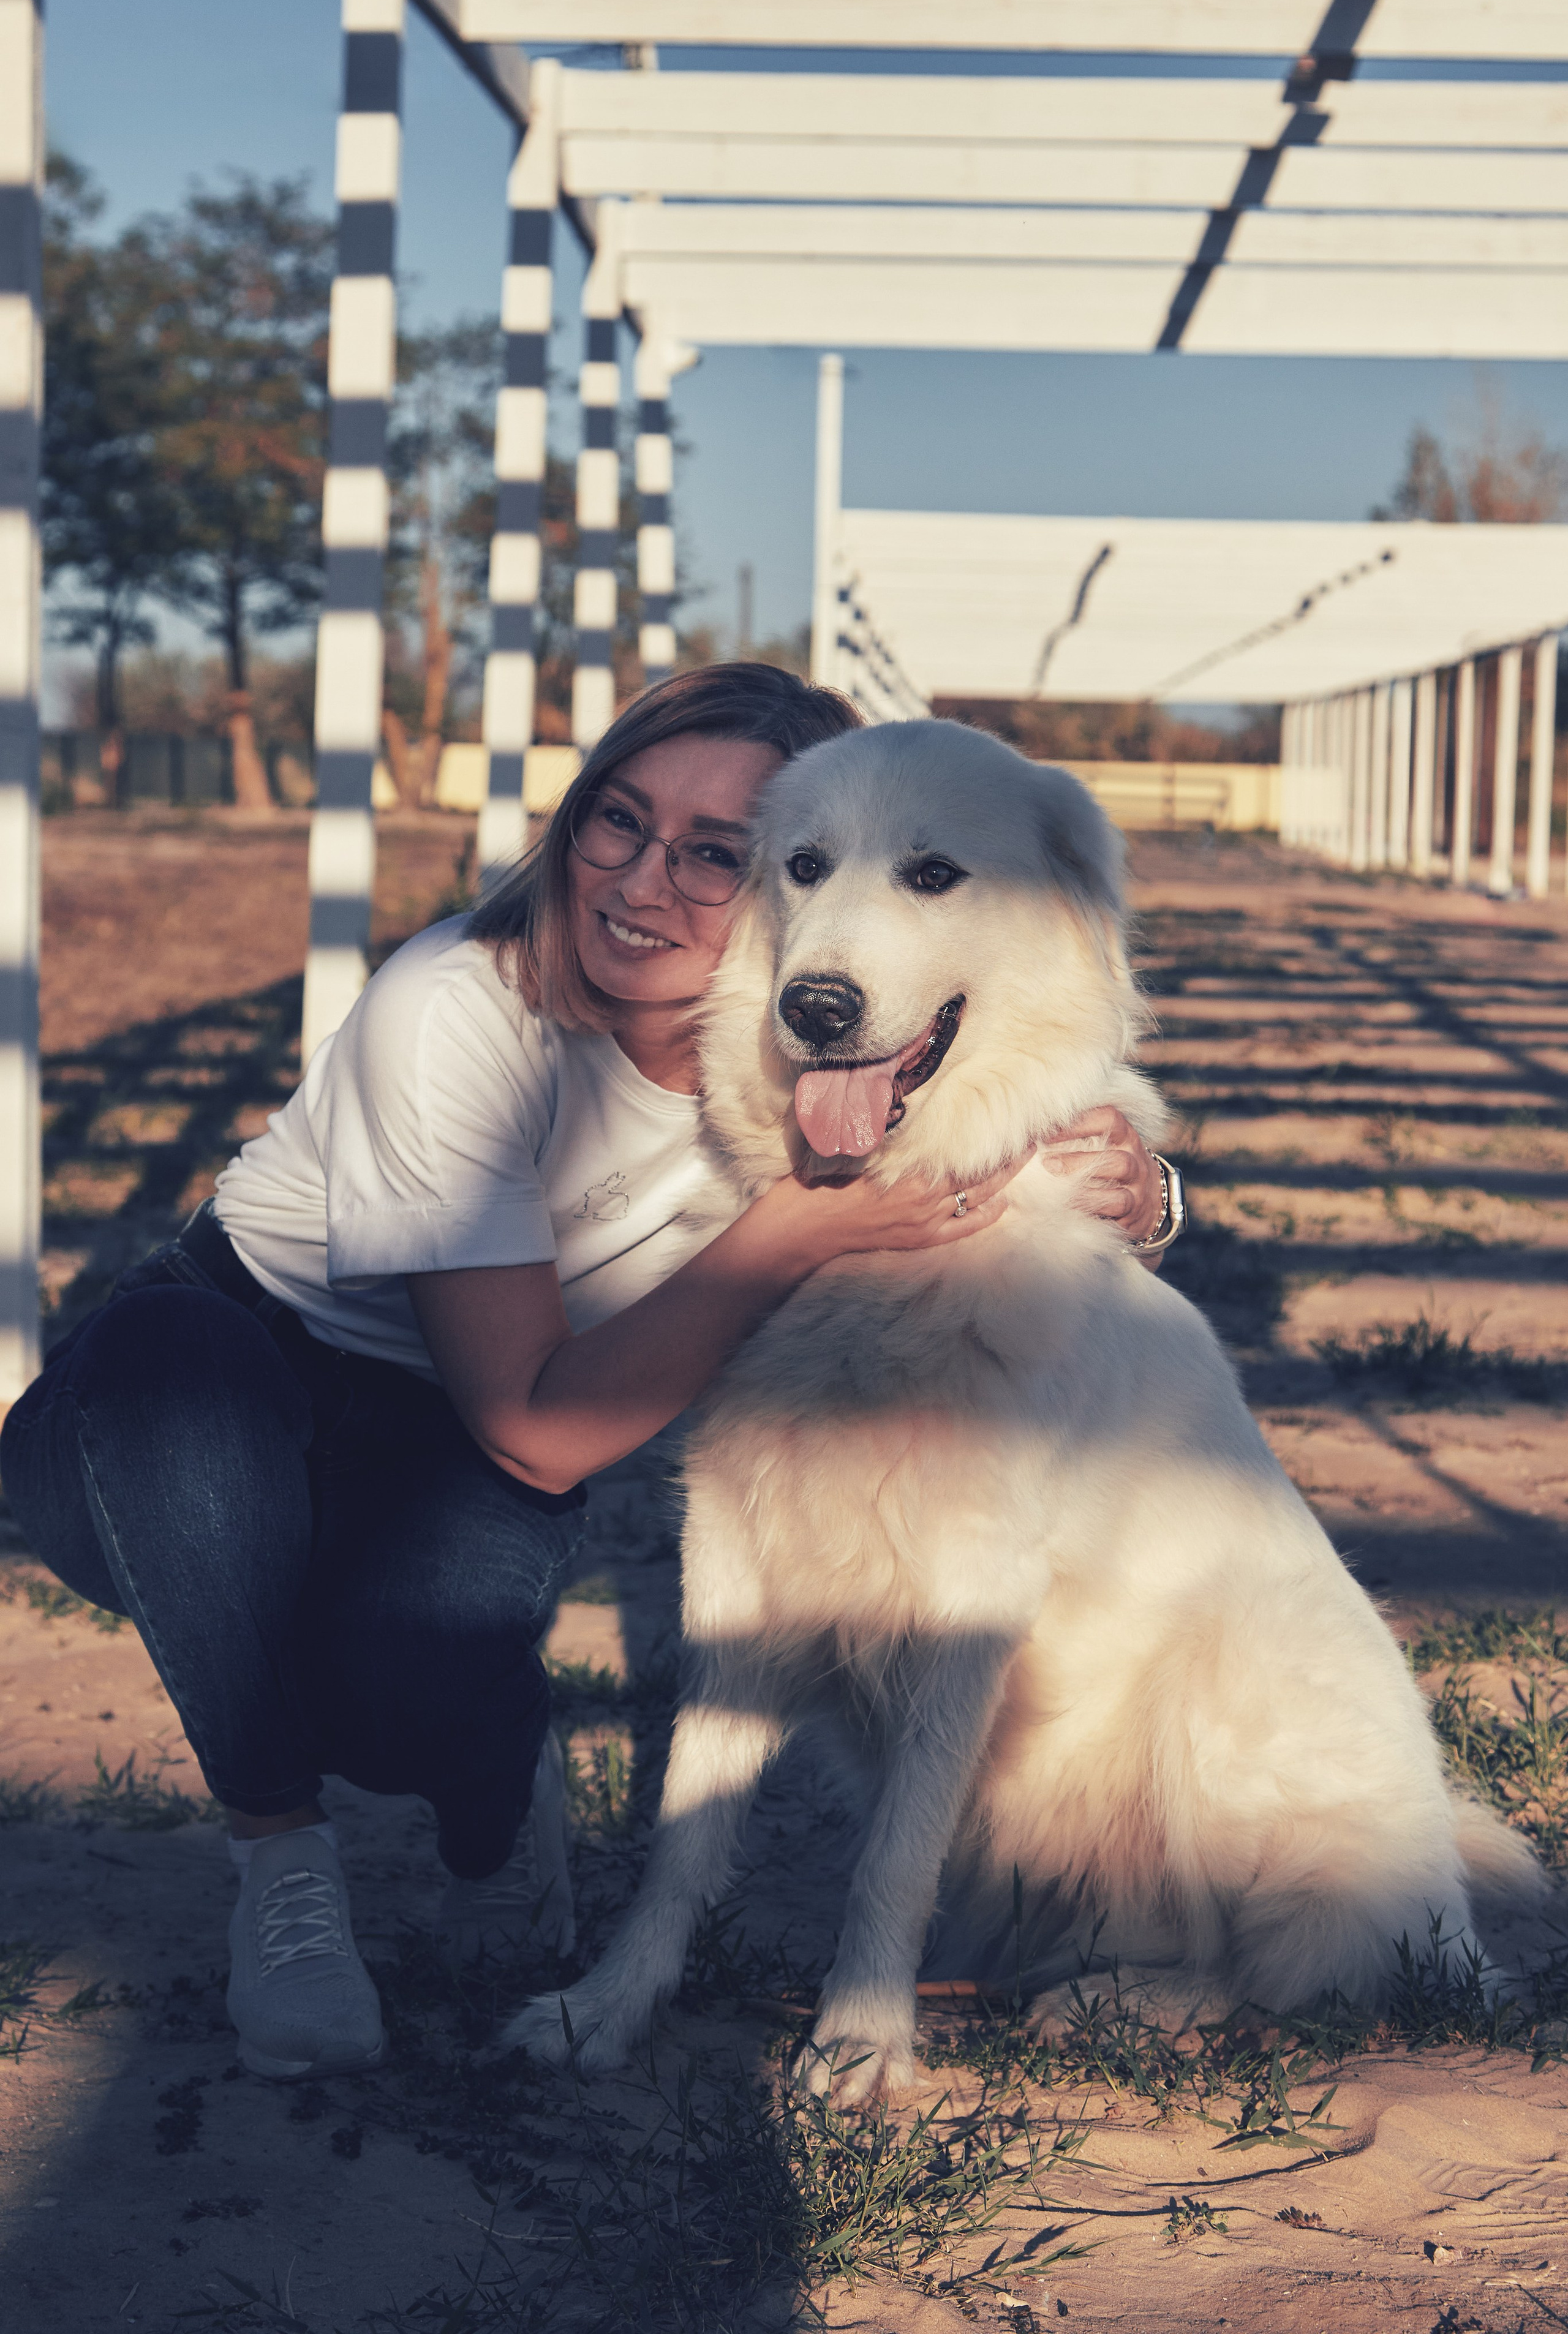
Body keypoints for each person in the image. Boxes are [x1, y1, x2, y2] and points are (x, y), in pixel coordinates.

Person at [0, 664, 1173, 2082]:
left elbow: (1040, 1131)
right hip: (213, 1382)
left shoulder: (827, 1059)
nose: (641, 880)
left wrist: (1145, 1189)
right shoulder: (457, 1008)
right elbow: (537, 1431)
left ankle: (494, 1816)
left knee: (402, 1672)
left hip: (443, 1453)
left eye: (717, 855)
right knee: (176, 1396)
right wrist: (789, 1230)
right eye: (616, 822)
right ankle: (282, 1869)